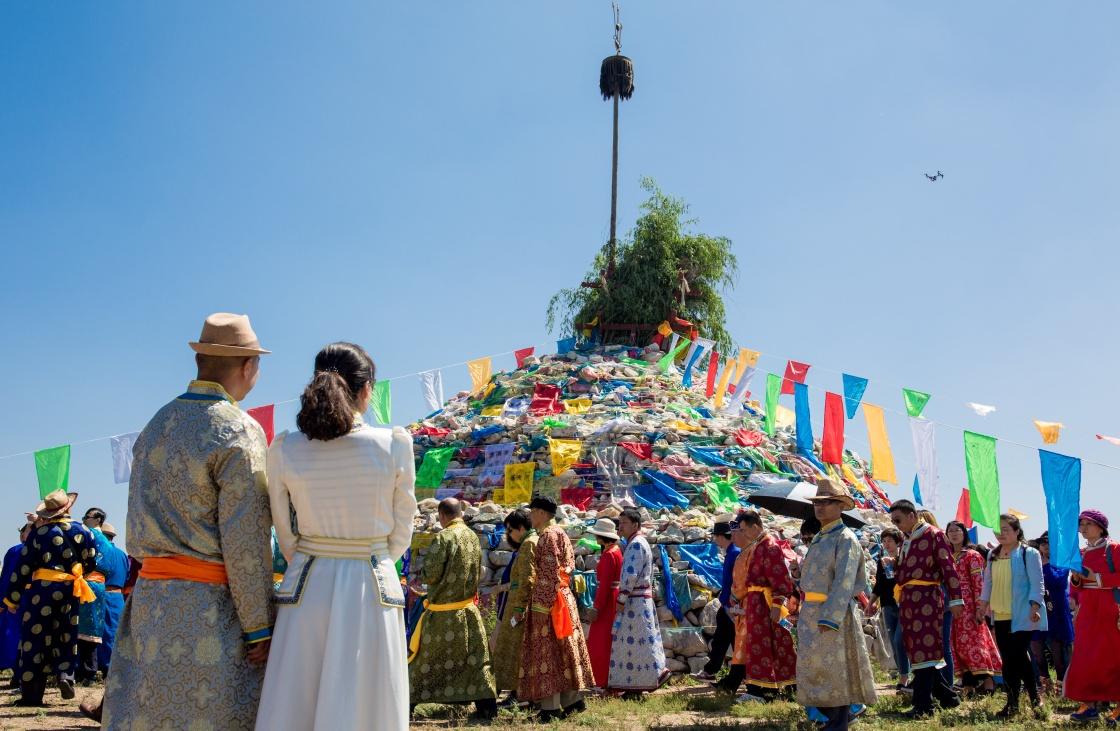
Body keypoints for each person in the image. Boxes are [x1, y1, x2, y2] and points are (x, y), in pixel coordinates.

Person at [102, 313, 276, 730]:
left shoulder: (156, 425)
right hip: (209, 612)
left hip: (151, 604)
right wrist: (259, 626)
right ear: (249, 366)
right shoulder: (238, 430)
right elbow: (246, 539)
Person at [255, 342, 417, 730]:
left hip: (308, 581)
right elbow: (403, 528)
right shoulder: (394, 443)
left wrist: (312, 554)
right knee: (367, 699)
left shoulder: (286, 447)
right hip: (372, 580)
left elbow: (283, 531)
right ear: (366, 390)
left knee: (298, 696)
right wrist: (375, 554)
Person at [796, 479, 877, 731]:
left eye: (827, 502)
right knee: (815, 668)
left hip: (831, 615)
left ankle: (839, 721)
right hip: (810, 613)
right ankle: (836, 719)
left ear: (841, 505)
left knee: (834, 670)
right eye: (817, 502)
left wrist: (830, 617)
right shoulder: (821, 537)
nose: (820, 507)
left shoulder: (845, 538)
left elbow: (844, 582)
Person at [3, 490, 97, 706]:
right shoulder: (84, 531)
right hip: (70, 590)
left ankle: (32, 696)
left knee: (34, 640)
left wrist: (12, 600)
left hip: (41, 592)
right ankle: (65, 676)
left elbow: (23, 567)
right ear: (68, 508)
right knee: (65, 634)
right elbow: (91, 563)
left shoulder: (39, 533)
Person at [407, 498, 496, 719]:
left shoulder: (443, 537)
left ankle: (407, 704)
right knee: (476, 663)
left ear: (442, 516)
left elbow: (432, 573)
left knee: (423, 662)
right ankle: (487, 707)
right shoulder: (472, 536)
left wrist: (423, 577)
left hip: (442, 615)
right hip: (468, 611)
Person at [518, 496, 594, 720]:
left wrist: (540, 607)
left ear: (541, 513)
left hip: (551, 603)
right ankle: (573, 702)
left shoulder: (547, 536)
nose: (531, 516)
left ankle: (550, 709)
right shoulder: (560, 533)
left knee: (547, 654)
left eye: (532, 512)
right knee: (565, 652)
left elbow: (549, 574)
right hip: (563, 598)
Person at [889, 499, 963, 718]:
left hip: (928, 599)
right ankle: (948, 697)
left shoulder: (934, 534)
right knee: (916, 649)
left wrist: (956, 599)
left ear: (912, 516)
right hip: (909, 600)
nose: (896, 525)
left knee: (926, 650)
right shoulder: (907, 539)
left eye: (898, 520)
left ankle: (924, 706)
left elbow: (948, 568)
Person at [979, 513, 1046, 718]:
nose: (1001, 534)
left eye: (1006, 529)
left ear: (1017, 531)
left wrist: (1035, 607)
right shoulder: (993, 554)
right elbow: (988, 583)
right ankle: (1031, 699)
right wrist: (983, 605)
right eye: (998, 530)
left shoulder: (1029, 553)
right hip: (999, 613)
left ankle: (1015, 703)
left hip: (1023, 613)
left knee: (1013, 658)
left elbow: (1037, 583)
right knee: (1012, 657)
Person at [726, 508, 796, 702]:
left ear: (755, 527)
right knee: (760, 646)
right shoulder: (757, 545)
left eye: (743, 529)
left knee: (767, 645)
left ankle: (761, 691)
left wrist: (776, 605)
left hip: (765, 603)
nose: (742, 533)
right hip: (755, 603)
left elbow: (780, 578)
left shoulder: (770, 545)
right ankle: (763, 689)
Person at [1064, 509, 1120, 724]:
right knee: (1086, 656)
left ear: (1101, 526)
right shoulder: (1080, 552)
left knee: (1113, 656)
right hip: (1087, 610)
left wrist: (1094, 577)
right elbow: (1075, 586)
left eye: (1088, 523)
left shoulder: (1114, 549)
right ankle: (1090, 705)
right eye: (1081, 524)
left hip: (1111, 608)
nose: (1083, 528)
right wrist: (1077, 580)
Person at [607, 508, 669, 696]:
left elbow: (630, 575)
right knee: (639, 644)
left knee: (634, 645)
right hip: (640, 600)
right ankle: (637, 685)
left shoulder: (635, 545)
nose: (621, 527)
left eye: (624, 523)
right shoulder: (639, 542)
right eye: (620, 523)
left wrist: (622, 597)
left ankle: (643, 682)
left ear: (635, 525)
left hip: (634, 601)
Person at [945, 520, 1000, 694]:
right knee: (957, 645)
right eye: (950, 531)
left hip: (969, 607)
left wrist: (980, 607)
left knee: (975, 644)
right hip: (951, 608)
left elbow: (978, 583)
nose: (954, 534)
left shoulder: (971, 555)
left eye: (957, 530)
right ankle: (968, 686)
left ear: (964, 533)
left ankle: (989, 683)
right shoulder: (945, 556)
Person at [491, 508, 538, 700]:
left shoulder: (528, 545)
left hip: (519, 606)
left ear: (520, 528)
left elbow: (527, 580)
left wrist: (519, 608)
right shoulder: (529, 543)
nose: (508, 535)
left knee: (514, 651)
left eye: (510, 530)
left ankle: (517, 692)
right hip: (516, 603)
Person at [695, 518, 739, 683]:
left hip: (731, 604)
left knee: (727, 639)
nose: (714, 540)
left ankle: (730, 673)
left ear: (721, 536)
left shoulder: (734, 553)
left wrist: (728, 601)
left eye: (715, 536)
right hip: (728, 602)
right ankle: (713, 671)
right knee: (725, 638)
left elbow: (734, 581)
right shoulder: (731, 552)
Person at [1030, 532, 1073, 697]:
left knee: (1057, 652)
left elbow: (1059, 582)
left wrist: (1045, 565)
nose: (1046, 546)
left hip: (1057, 610)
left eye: (1049, 543)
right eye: (1043, 543)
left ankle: (1061, 687)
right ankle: (1044, 685)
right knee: (1037, 651)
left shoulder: (1062, 563)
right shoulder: (1034, 562)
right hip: (1038, 610)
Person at [868, 527, 910, 691]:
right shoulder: (882, 561)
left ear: (898, 542)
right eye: (884, 541)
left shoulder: (905, 559)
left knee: (901, 639)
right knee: (893, 641)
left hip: (904, 604)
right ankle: (903, 675)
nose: (887, 544)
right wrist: (871, 602)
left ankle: (906, 676)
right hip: (887, 605)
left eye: (890, 541)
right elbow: (879, 585)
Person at [585, 517, 622, 687]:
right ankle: (608, 680)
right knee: (608, 641)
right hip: (613, 598)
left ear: (601, 536)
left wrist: (596, 607)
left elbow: (605, 584)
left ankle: (601, 681)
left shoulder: (608, 555)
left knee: (600, 642)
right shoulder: (616, 551)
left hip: (606, 602)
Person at [0, 521, 33, 679]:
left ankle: (17, 672)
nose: (21, 534)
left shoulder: (16, 551)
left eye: (24, 531)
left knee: (15, 633)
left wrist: (2, 602)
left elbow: (7, 578)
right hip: (43, 597)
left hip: (18, 597)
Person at [95, 522, 130, 672]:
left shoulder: (101, 553)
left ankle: (103, 667)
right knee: (114, 633)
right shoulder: (122, 554)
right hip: (118, 598)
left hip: (102, 595)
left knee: (100, 633)